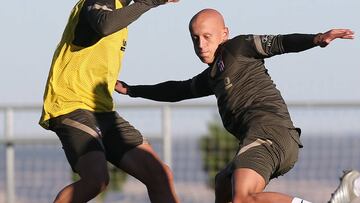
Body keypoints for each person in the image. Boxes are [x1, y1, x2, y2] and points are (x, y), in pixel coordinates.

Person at [115, 8, 355, 203]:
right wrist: (133, 90)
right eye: (195, 38)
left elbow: (280, 43)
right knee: (223, 184)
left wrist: (316, 39)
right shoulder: (212, 76)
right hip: (267, 139)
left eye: (207, 36)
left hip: (270, 134)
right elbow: (177, 90)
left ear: (224, 34)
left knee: (241, 198)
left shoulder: (237, 48)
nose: (200, 44)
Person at [39, 0, 180, 202]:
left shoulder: (122, 12)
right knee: (96, 180)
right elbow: (104, 24)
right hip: (70, 104)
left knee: (160, 174)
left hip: (102, 111)